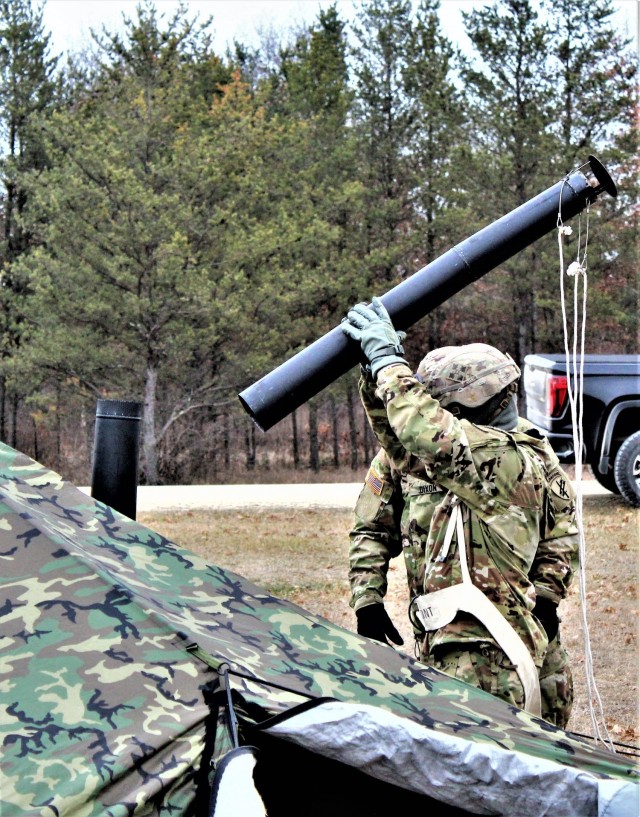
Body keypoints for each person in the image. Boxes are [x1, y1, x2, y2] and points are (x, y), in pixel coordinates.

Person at [341, 297, 577, 726]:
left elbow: (560, 530)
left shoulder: (501, 453)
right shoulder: (450, 450)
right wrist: (367, 601)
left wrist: (387, 361)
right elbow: (381, 503)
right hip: (455, 643)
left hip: (493, 652)